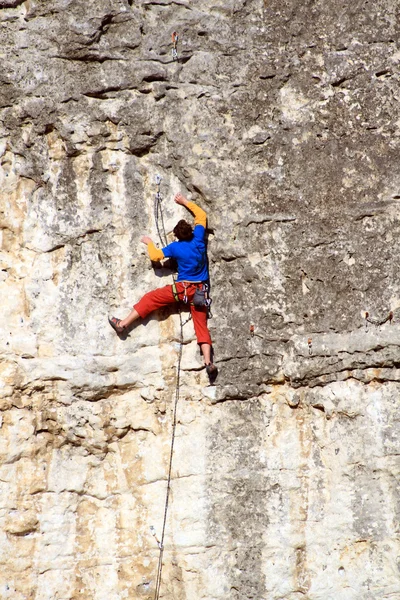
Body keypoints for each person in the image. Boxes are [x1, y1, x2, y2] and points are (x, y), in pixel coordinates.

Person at [109, 193, 217, 379]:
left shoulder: (175, 248)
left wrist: (150, 243)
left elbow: (156, 257)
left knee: (151, 298)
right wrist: (184, 202)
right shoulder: (199, 239)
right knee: (201, 326)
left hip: (182, 290)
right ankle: (208, 362)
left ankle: (123, 324)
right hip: (200, 292)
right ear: (191, 231)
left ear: (177, 236)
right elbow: (201, 215)